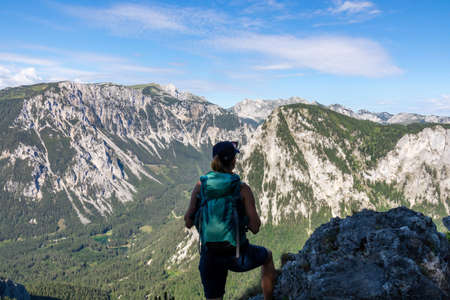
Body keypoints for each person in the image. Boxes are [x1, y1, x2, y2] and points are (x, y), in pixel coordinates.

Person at [184, 141, 276, 300]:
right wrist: (242, 220)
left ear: (214, 160)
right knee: (267, 256)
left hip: (209, 255)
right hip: (237, 255)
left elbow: (188, 222)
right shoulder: (242, 189)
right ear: (233, 161)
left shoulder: (201, 185)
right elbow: (255, 227)